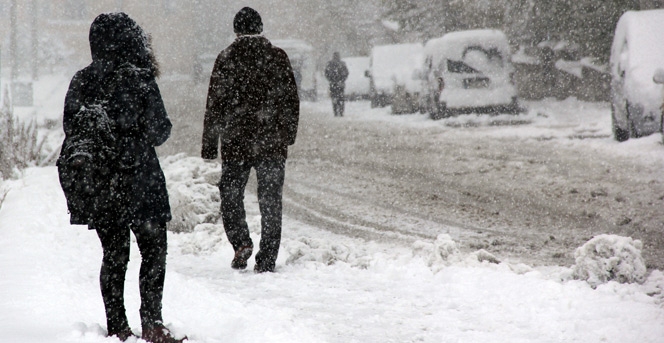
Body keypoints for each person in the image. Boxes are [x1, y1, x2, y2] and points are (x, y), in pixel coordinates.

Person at [61, 12, 185, 343]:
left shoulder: (81, 80)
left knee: (114, 258)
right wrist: (134, 135)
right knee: (154, 252)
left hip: (100, 185)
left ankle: (117, 327)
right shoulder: (140, 78)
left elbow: (70, 129)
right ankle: (152, 322)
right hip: (141, 181)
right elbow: (160, 131)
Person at [201, 7, 299, 273]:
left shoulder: (226, 58)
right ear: (260, 28)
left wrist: (210, 145)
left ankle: (241, 241)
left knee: (231, 195)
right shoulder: (278, 57)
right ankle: (267, 258)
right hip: (272, 141)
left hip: (236, 142)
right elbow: (291, 99)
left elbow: (215, 104)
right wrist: (288, 134)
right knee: (270, 201)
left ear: (236, 31)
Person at [324, 52, 349, 117]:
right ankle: (341, 111)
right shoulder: (342, 64)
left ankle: (336, 111)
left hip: (333, 84)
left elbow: (326, 73)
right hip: (340, 84)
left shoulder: (330, 64)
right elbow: (346, 73)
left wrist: (331, 80)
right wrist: (342, 80)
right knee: (341, 98)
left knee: (334, 98)